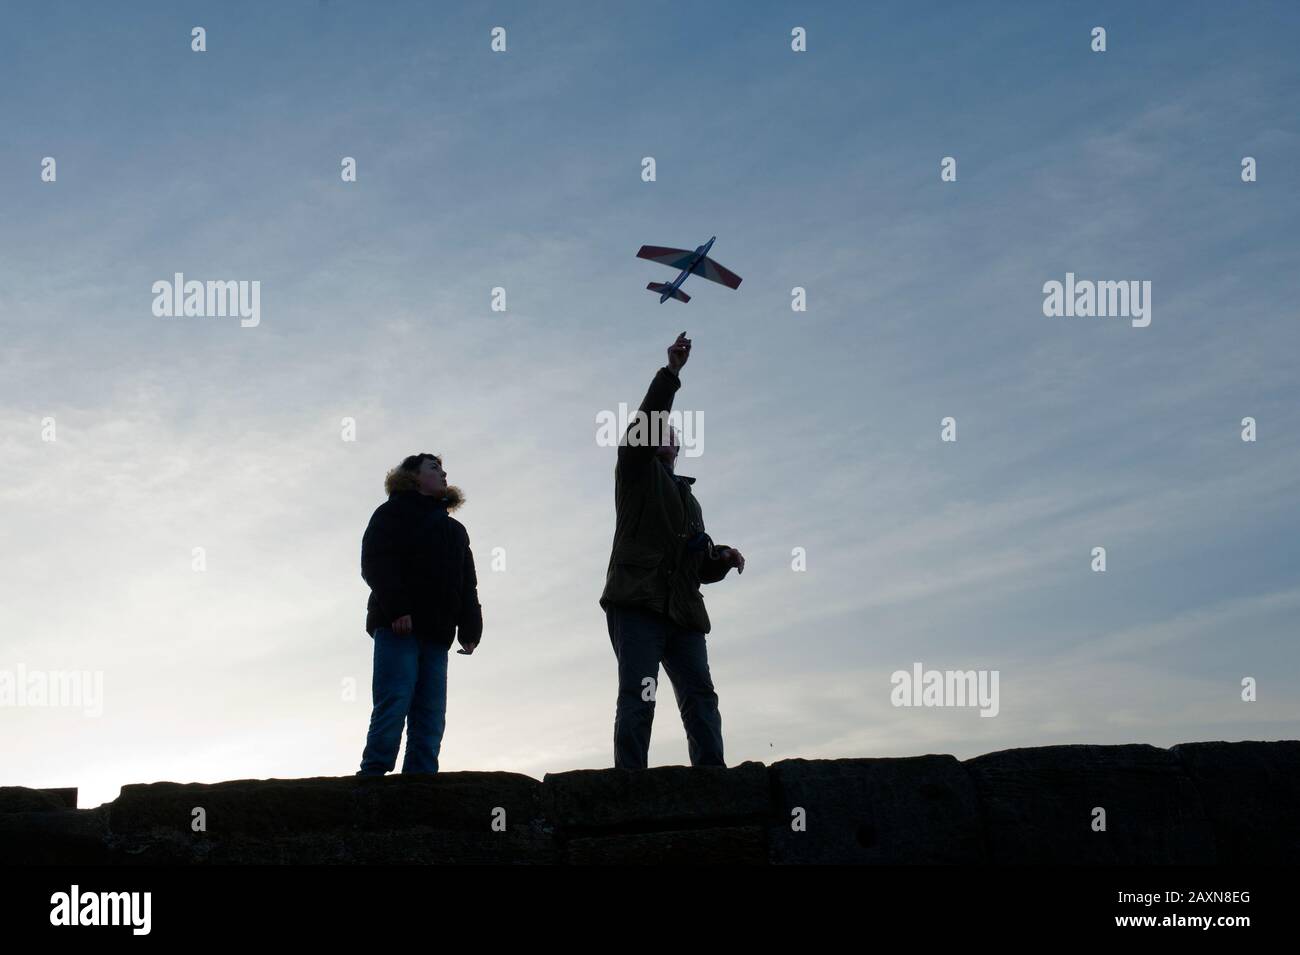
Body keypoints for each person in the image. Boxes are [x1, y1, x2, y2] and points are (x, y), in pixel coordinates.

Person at [599, 332, 746, 769]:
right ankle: (630, 779)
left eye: (672, 433)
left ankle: (711, 773)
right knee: (639, 693)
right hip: (638, 603)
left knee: (700, 694)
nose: (666, 434)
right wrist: (671, 374)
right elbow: (647, 418)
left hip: (683, 612)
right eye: (659, 430)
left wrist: (718, 559)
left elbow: (696, 566)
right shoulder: (635, 472)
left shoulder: (689, 498)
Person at [357, 453, 482, 775]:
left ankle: (421, 779)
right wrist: (398, 609)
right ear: (414, 477)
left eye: (442, 469)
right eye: (434, 468)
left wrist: (470, 629)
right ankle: (373, 775)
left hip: (438, 631)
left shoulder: (455, 530)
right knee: (394, 700)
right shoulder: (391, 513)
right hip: (399, 626)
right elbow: (375, 562)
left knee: (431, 711)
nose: (443, 474)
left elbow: (467, 583)